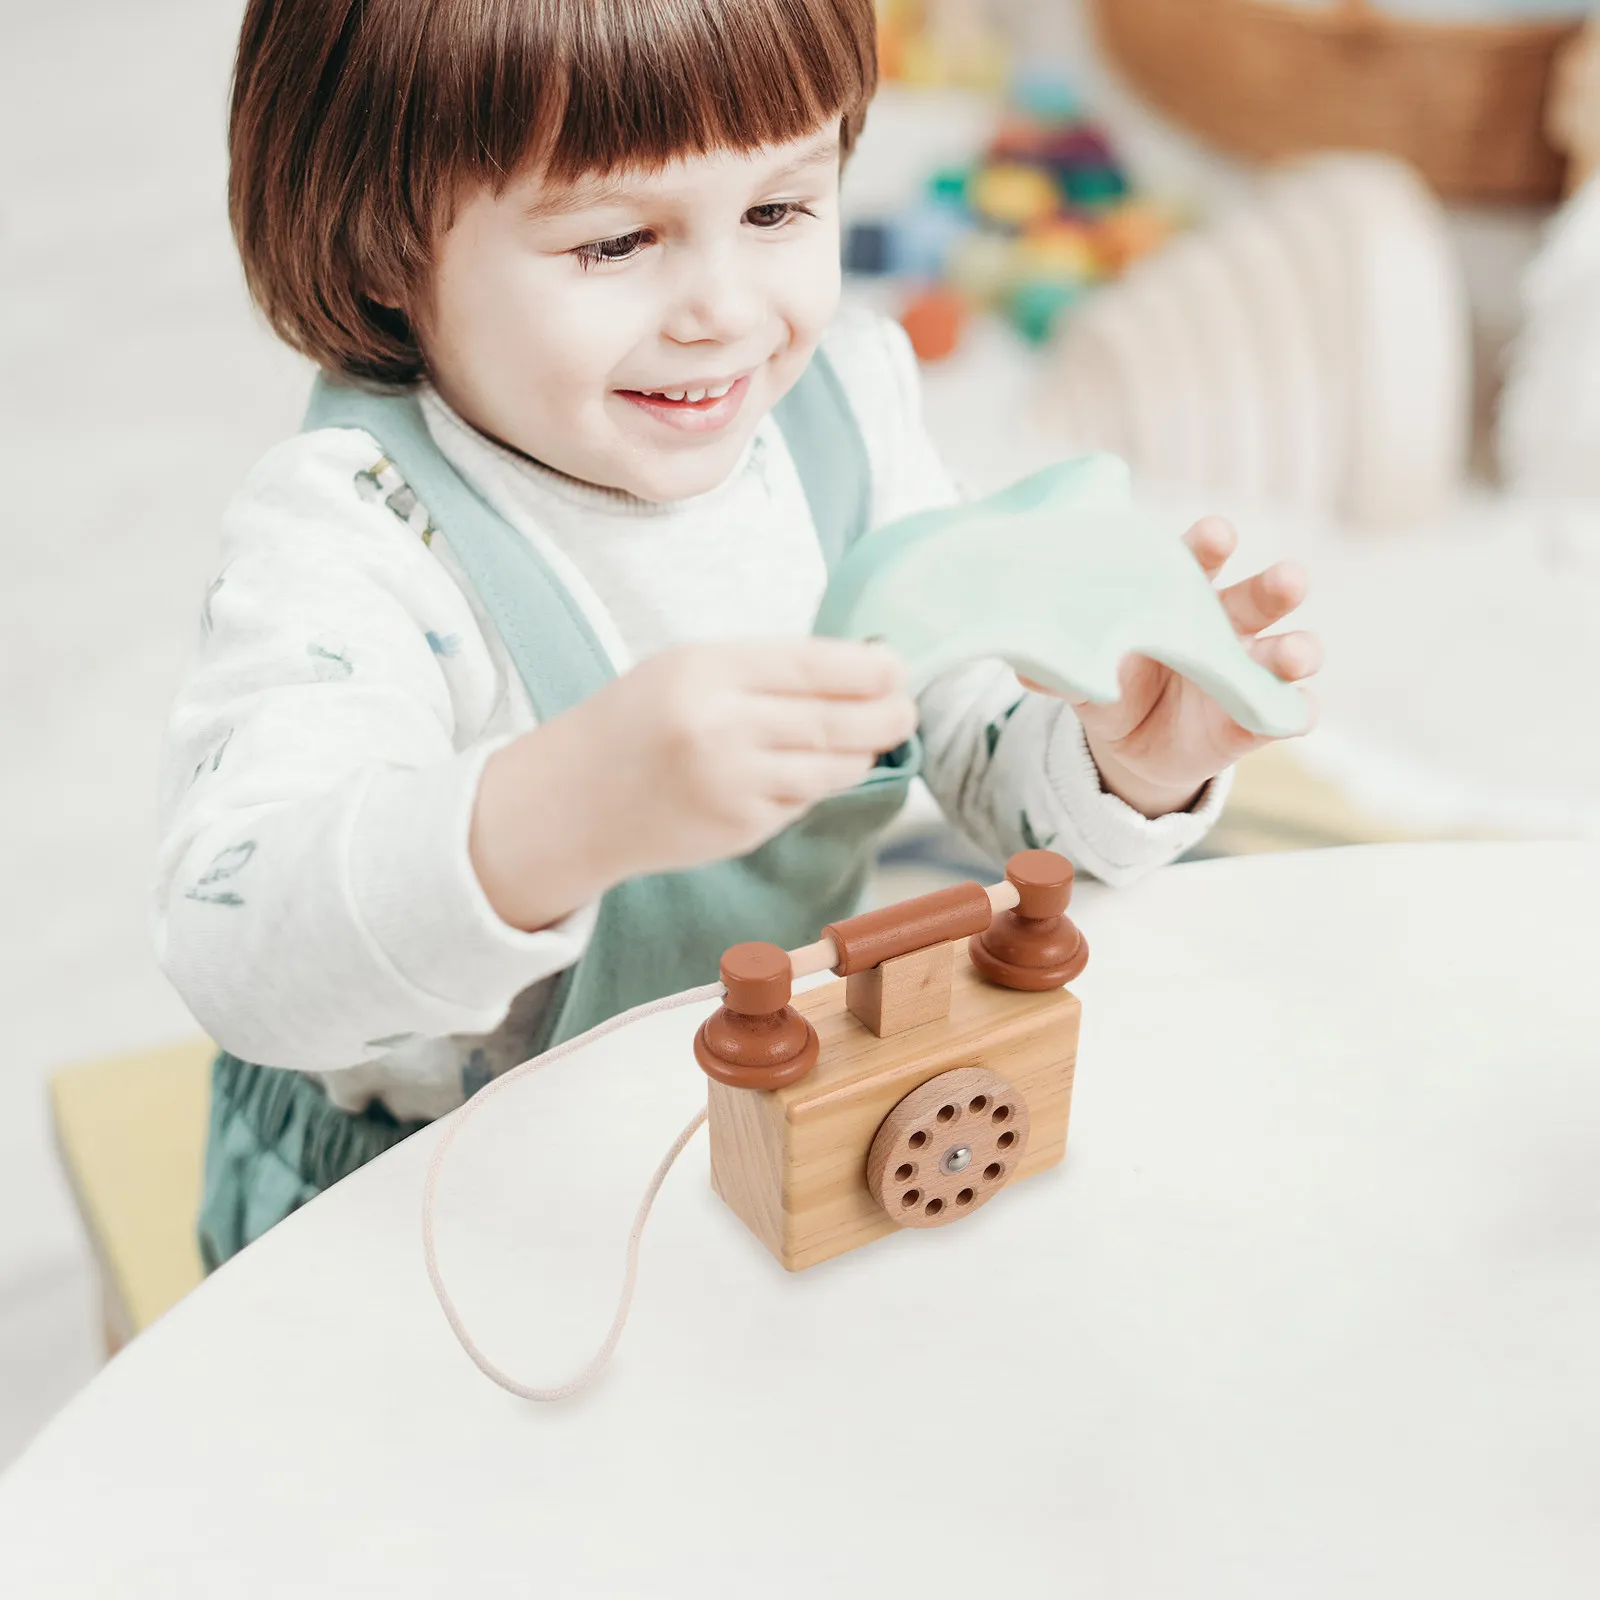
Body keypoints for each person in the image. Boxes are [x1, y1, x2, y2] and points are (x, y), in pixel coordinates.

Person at [156, 0, 1320, 1268]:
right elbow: (238, 947)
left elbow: (971, 739)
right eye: (613, 240)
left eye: (776, 210)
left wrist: (1120, 764)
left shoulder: (846, 414)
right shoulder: (359, 532)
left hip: (750, 1119)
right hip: (424, 1204)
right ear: (380, 248)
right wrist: (564, 807)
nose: (723, 309)